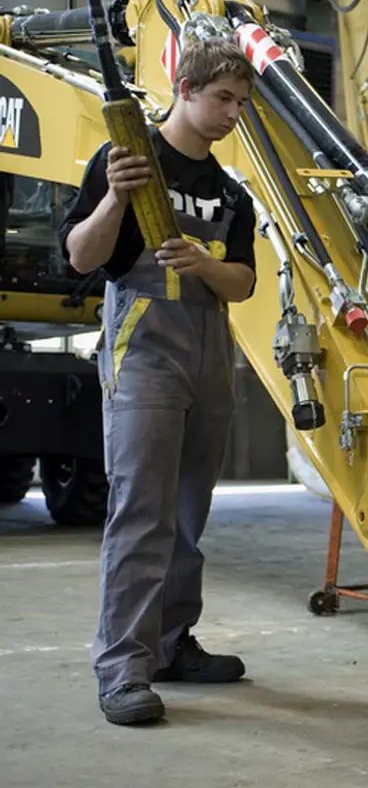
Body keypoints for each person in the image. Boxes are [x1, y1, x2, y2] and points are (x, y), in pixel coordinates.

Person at [58, 37, 259, 726]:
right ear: (186, 86)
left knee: (186, 514)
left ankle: (172, 643)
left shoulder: (231, 193)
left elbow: (245, 282)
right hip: (143, 345)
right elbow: (80, 255)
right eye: (223, 98)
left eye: (241, 102)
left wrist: (206, 262)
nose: (233, 112)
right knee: (141, 510)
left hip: (208, 348)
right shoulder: (129, 160)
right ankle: (123, 667)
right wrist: (117, 198)